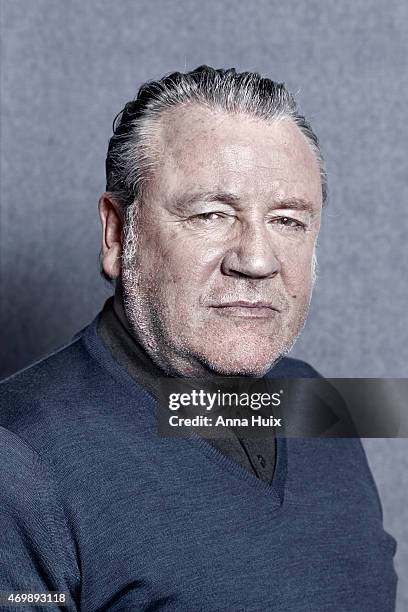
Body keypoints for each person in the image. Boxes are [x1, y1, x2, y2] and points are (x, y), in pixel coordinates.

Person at [0, 66, 397, 611]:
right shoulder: (19, 460)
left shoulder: (314, 401)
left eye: (287, 220)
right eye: (212, 214)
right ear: (118, 233)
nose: (257, 260)